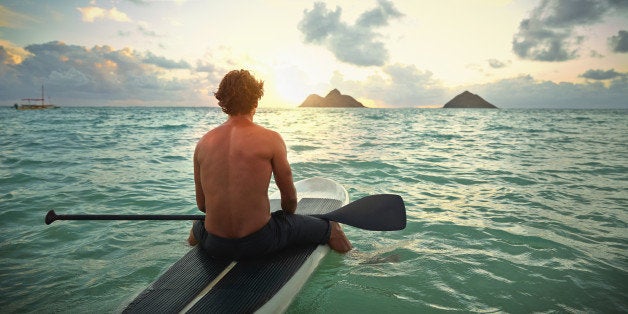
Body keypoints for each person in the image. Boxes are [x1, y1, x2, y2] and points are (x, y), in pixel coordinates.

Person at [188, 69, 351, 260]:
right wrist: (285, 217)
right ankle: (363, 261)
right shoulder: (271, 139)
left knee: (196, 226)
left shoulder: (203, 143)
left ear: (222, 101)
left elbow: (202, 206)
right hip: (259, 242)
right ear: (256, 101)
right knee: (333, 229)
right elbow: (289, 200)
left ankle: (189, 252)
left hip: (215, 244)